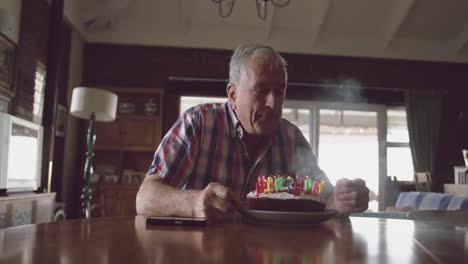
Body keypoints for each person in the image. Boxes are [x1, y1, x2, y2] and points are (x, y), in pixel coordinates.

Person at [136, 44, 369, 220]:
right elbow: (145, 198)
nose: (273, 103)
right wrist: (195, 203)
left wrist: (342, 200)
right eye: (261, 90)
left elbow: (324, 200)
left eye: (280, 91)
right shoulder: (197, 123)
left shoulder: (291, 138)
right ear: (233, 95)